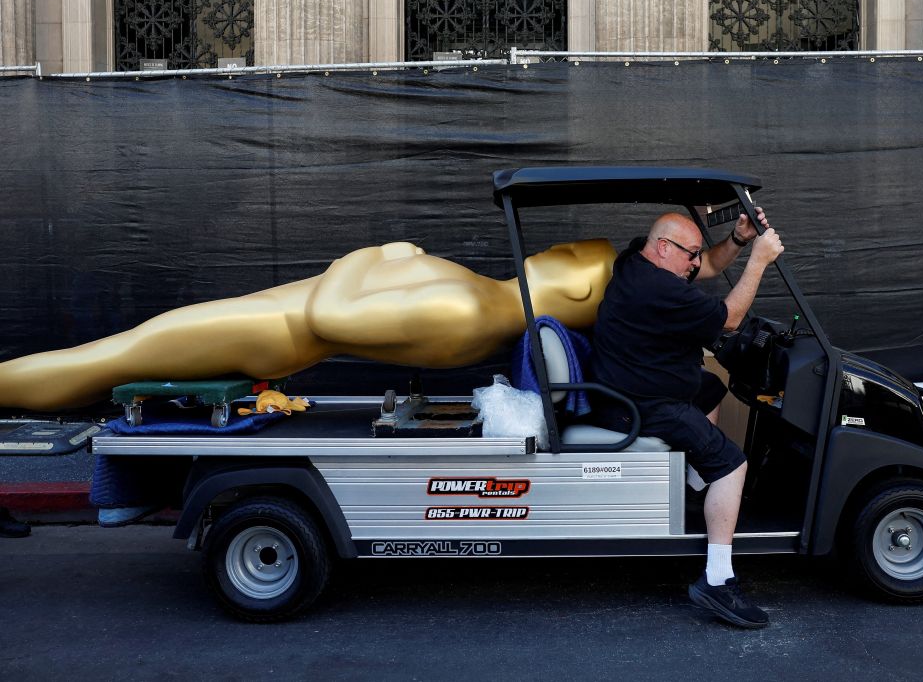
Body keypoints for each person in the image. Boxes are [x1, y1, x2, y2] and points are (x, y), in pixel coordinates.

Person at [0, 239, 617, 412]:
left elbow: (332, 314)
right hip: (276, 329)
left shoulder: (469, 310)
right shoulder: (484, 308)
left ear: (576, 284)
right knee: (113, 359)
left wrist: (364, 256)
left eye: (565, 252)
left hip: (275, 326)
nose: (552, 247)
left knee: (110, 358)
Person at [590, 208, 783, 628]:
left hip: (632, 387)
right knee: (733, 464)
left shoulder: (635, 263)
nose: (696, 262)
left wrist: (738, 238)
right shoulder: (660, 290)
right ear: (664, 247)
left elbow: (711, 264)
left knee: (710, 385)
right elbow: (729, 320)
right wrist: (758, 260)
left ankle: (697, 486)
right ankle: (717, 579)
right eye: (689, 253)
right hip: (642, 405)